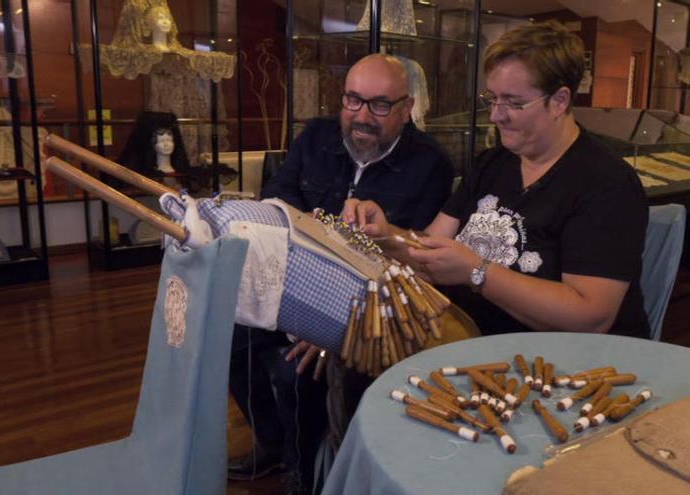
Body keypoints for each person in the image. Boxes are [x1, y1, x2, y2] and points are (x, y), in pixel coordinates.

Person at [227, 53, 454, 492]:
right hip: (294, 281)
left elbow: (411, 261)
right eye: (352, 100)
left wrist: (331, 316)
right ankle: (272, 442)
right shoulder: (314, 138)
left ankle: (305, 473)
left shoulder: (431, 163)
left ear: (407, 108)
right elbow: (276, 203)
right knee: (232, 336)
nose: (362, 116)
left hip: (367, 303)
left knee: (296, 373)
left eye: (379, 105)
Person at [344, 22, 650, 339]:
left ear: (559, 101)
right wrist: (385, 235)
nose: (495, 115)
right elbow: (430, 248)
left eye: (514, 102)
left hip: (564, 363)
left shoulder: (606, 183)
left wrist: (476, 272)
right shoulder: (493, 163)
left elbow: (591, 317)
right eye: (493, 98)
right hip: (470, 339)